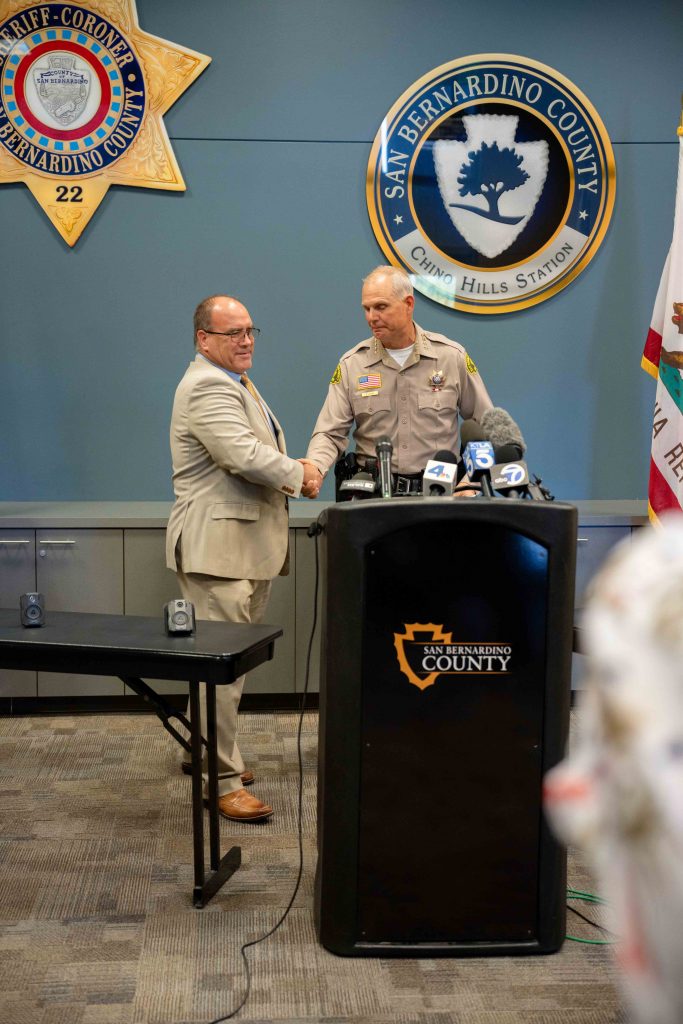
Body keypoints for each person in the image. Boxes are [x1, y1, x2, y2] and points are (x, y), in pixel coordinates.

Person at [166, 295, 319, 821]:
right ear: (203, 339)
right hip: (219, 551)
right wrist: (302, 474)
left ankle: (203, 752)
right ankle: (221, 780)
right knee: (221, 673)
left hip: (240, 549)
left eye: (251, 330)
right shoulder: (207, 384)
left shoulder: (232, 379)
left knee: (224, 666)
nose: (246, 340)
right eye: (233, 333)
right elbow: (241, 455)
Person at [305, 265, 493, 494]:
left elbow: (485, 426)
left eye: (381, 307)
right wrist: (315, 467)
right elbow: (329, 433)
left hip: (441, 497)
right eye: (367, 309)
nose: (372, 317)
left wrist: (472, 482)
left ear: (408, 304)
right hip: (374, 499)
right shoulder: (352, 365)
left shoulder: (450, 357)